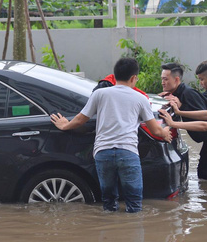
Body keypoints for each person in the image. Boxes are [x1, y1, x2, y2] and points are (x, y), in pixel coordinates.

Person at [50, 58, 171, 213]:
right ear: (134, 78)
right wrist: (165, 133)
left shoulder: (100, 94)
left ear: (114, 75)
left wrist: (64, 125)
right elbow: (155, 130)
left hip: (103, 153)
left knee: (108, 202)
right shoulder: (140, 98)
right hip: (127, 152)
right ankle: (132, 234)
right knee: (134, 204)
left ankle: (108, 233)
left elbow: (81, 119)